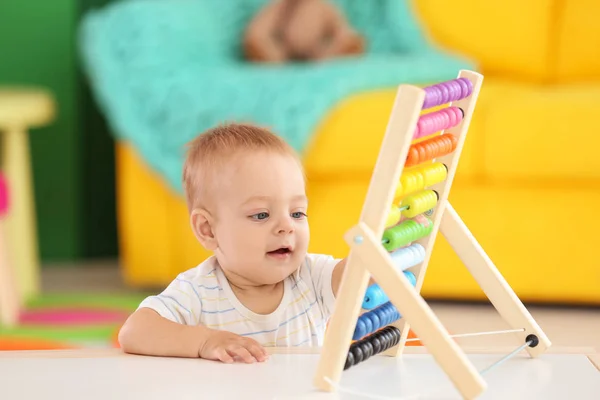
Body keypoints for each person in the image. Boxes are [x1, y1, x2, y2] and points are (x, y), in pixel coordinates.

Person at [118, 123, 348, 364]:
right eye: (261, 215)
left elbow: (364, 274)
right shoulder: (198, 292)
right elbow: (134, 331)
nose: (287, 226)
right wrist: (204, 341)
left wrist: (387, 243)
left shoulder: (312, 277)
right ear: (207, 229)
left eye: (297, 213)